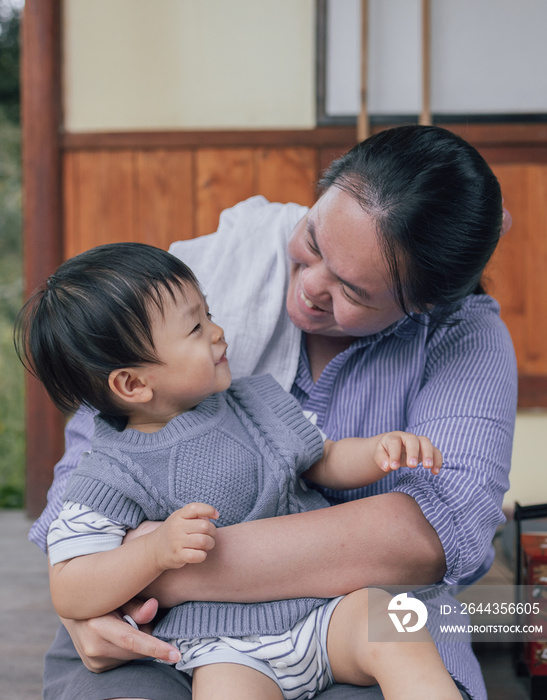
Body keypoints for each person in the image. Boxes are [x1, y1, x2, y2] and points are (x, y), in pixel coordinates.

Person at [28, 125, 517, 700]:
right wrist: (88, 600)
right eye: (312, 241)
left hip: (363, 604)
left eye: (354, 292)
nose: (310, 287)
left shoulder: (461, 337)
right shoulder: (194, 274)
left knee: (400, 642)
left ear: (423, 304)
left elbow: (430, 533)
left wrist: (149, 565)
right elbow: (91, 464)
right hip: (184, 630)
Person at [16, 241, 457, 700]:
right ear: (132, 384)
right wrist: (153, 552)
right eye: (194, 327)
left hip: (325, 615)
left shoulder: (255, 402)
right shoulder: (109, 473)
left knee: (389, 622)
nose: (217, 332)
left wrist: (378, 451)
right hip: (224, 650)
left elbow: (324, 458)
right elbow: (70, 586)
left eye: (208, 314)